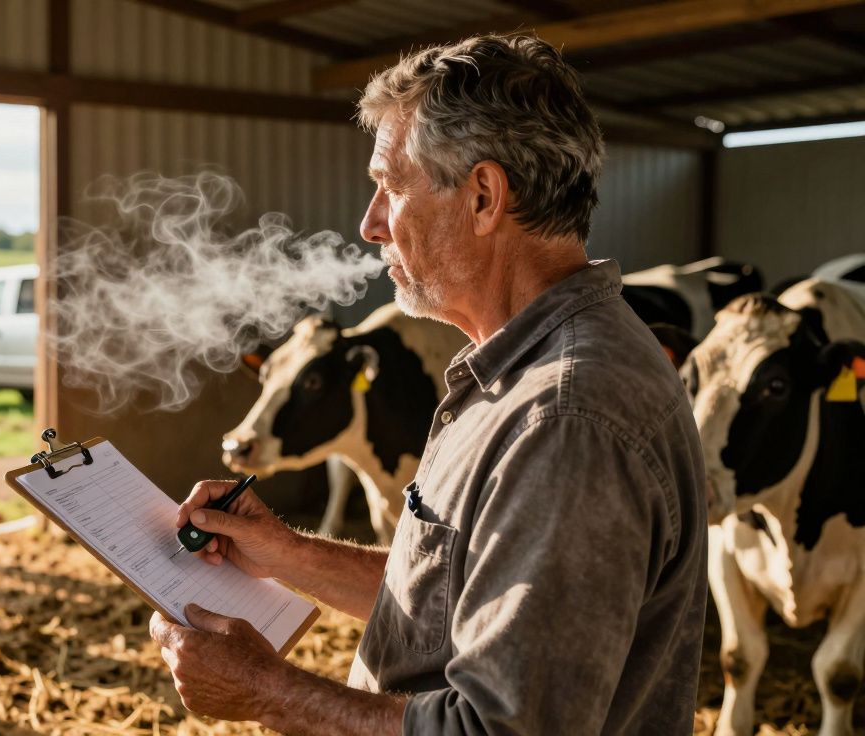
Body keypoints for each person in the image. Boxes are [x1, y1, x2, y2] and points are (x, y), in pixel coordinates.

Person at [149, 35, 709, 734]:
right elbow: (470, 594)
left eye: (391, 186)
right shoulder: (524, 369)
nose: (371, 223)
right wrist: (288, 553)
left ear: (482, 197)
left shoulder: (566, 417)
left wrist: (269, 692)